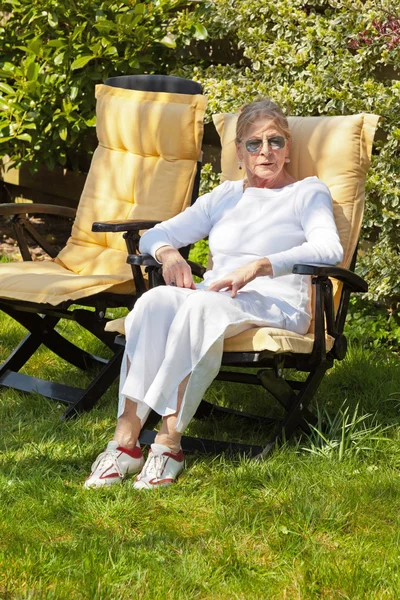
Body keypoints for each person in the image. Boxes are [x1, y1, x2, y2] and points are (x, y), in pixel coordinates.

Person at [84, 99, 343, 490]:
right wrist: (169, 255)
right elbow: (157, 234)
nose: (265, 151)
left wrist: (260, 265)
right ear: (238, 152)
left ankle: (168, 445)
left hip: (276, 302)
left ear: (288, 147)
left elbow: (329, 250)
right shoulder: (225, 196)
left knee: (200, 308)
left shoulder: (307, 192)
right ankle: (125, 443)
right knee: (153, 301)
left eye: (275, 141)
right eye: (254, 144)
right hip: (221, 295)